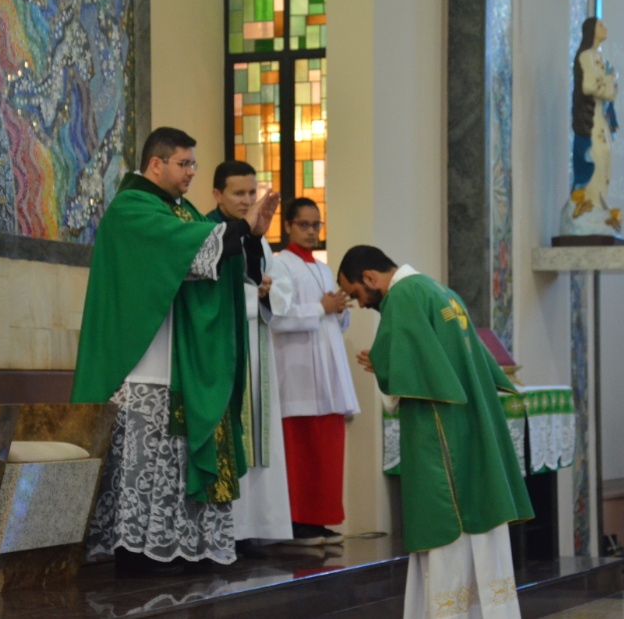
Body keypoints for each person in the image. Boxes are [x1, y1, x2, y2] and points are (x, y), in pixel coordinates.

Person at [72, 127, 279, 572]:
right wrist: (239, 228)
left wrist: (252, 236)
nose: (191, 173)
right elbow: (186, 252)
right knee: (139, 468)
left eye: (193, 164)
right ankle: (134, 552)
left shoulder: (179, 211)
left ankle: (173, 544)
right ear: (156, 165)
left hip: (176, 360)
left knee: (170, 466)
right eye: (184, 164)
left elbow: (222, 261)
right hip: (141, 361)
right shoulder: (132, 208)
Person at [337, 245, 533, 619]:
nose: (360, 304)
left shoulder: (404, 297)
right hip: (471, 430)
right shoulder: (440, 291)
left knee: (450, 528)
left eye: (357, 294)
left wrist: (384, 369)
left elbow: (403, 382)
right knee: (480, 528)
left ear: (370, 277)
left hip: (442, 437)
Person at [206, 161, 293, 550]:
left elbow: (279, 292)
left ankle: (258, 526)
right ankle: (229, 529)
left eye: (251, 193)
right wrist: (252, 293)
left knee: (260, 435)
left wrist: (266, 288)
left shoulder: (260, 237)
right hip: (221, 349)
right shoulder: (207, 232)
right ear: (217, 195)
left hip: (257, 349)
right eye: (238, 193)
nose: (246, 201)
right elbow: (206, 291)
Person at [269, 198, 359, 546]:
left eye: (316, 225)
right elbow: (276, 317)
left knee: (327, 449)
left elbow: (336, 320)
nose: (310, 232)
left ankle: (321, 519)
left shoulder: (323, 268)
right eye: (303, 225)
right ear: (288, 226)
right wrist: (320, 307)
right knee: (302, 448)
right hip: (297, 373)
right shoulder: (280, 266)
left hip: (328, 371)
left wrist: (338, 310)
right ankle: (297, 522)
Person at [560, 16, 622, 238]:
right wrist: (607, 82)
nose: (605, 27)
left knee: (605, 160)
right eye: (600, 25)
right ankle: (587, 205)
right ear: (592, 31)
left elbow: (611, 92)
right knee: (594, 158)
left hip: (601, 119)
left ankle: (598, 207)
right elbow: (589, 86)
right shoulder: (586, 56)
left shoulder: (601, 59)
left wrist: (607, 83)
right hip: (590, 121)